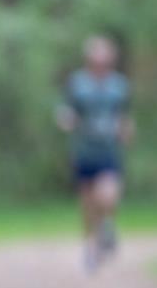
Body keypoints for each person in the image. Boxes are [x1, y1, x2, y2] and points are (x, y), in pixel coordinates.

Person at [55, 35, 135, 272]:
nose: (100, 62)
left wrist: (127, 130)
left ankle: (107, 226)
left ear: (110, 59)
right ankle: (90, 248)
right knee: (88, 203)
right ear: (89, 59)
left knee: (108, 194)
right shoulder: (77, 83)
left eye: (104, 57)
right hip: (84, 151)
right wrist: (66, 120)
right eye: (96, 57)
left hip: (109, 150)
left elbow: (125, 116)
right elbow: (66, 110)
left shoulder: (119, 86)